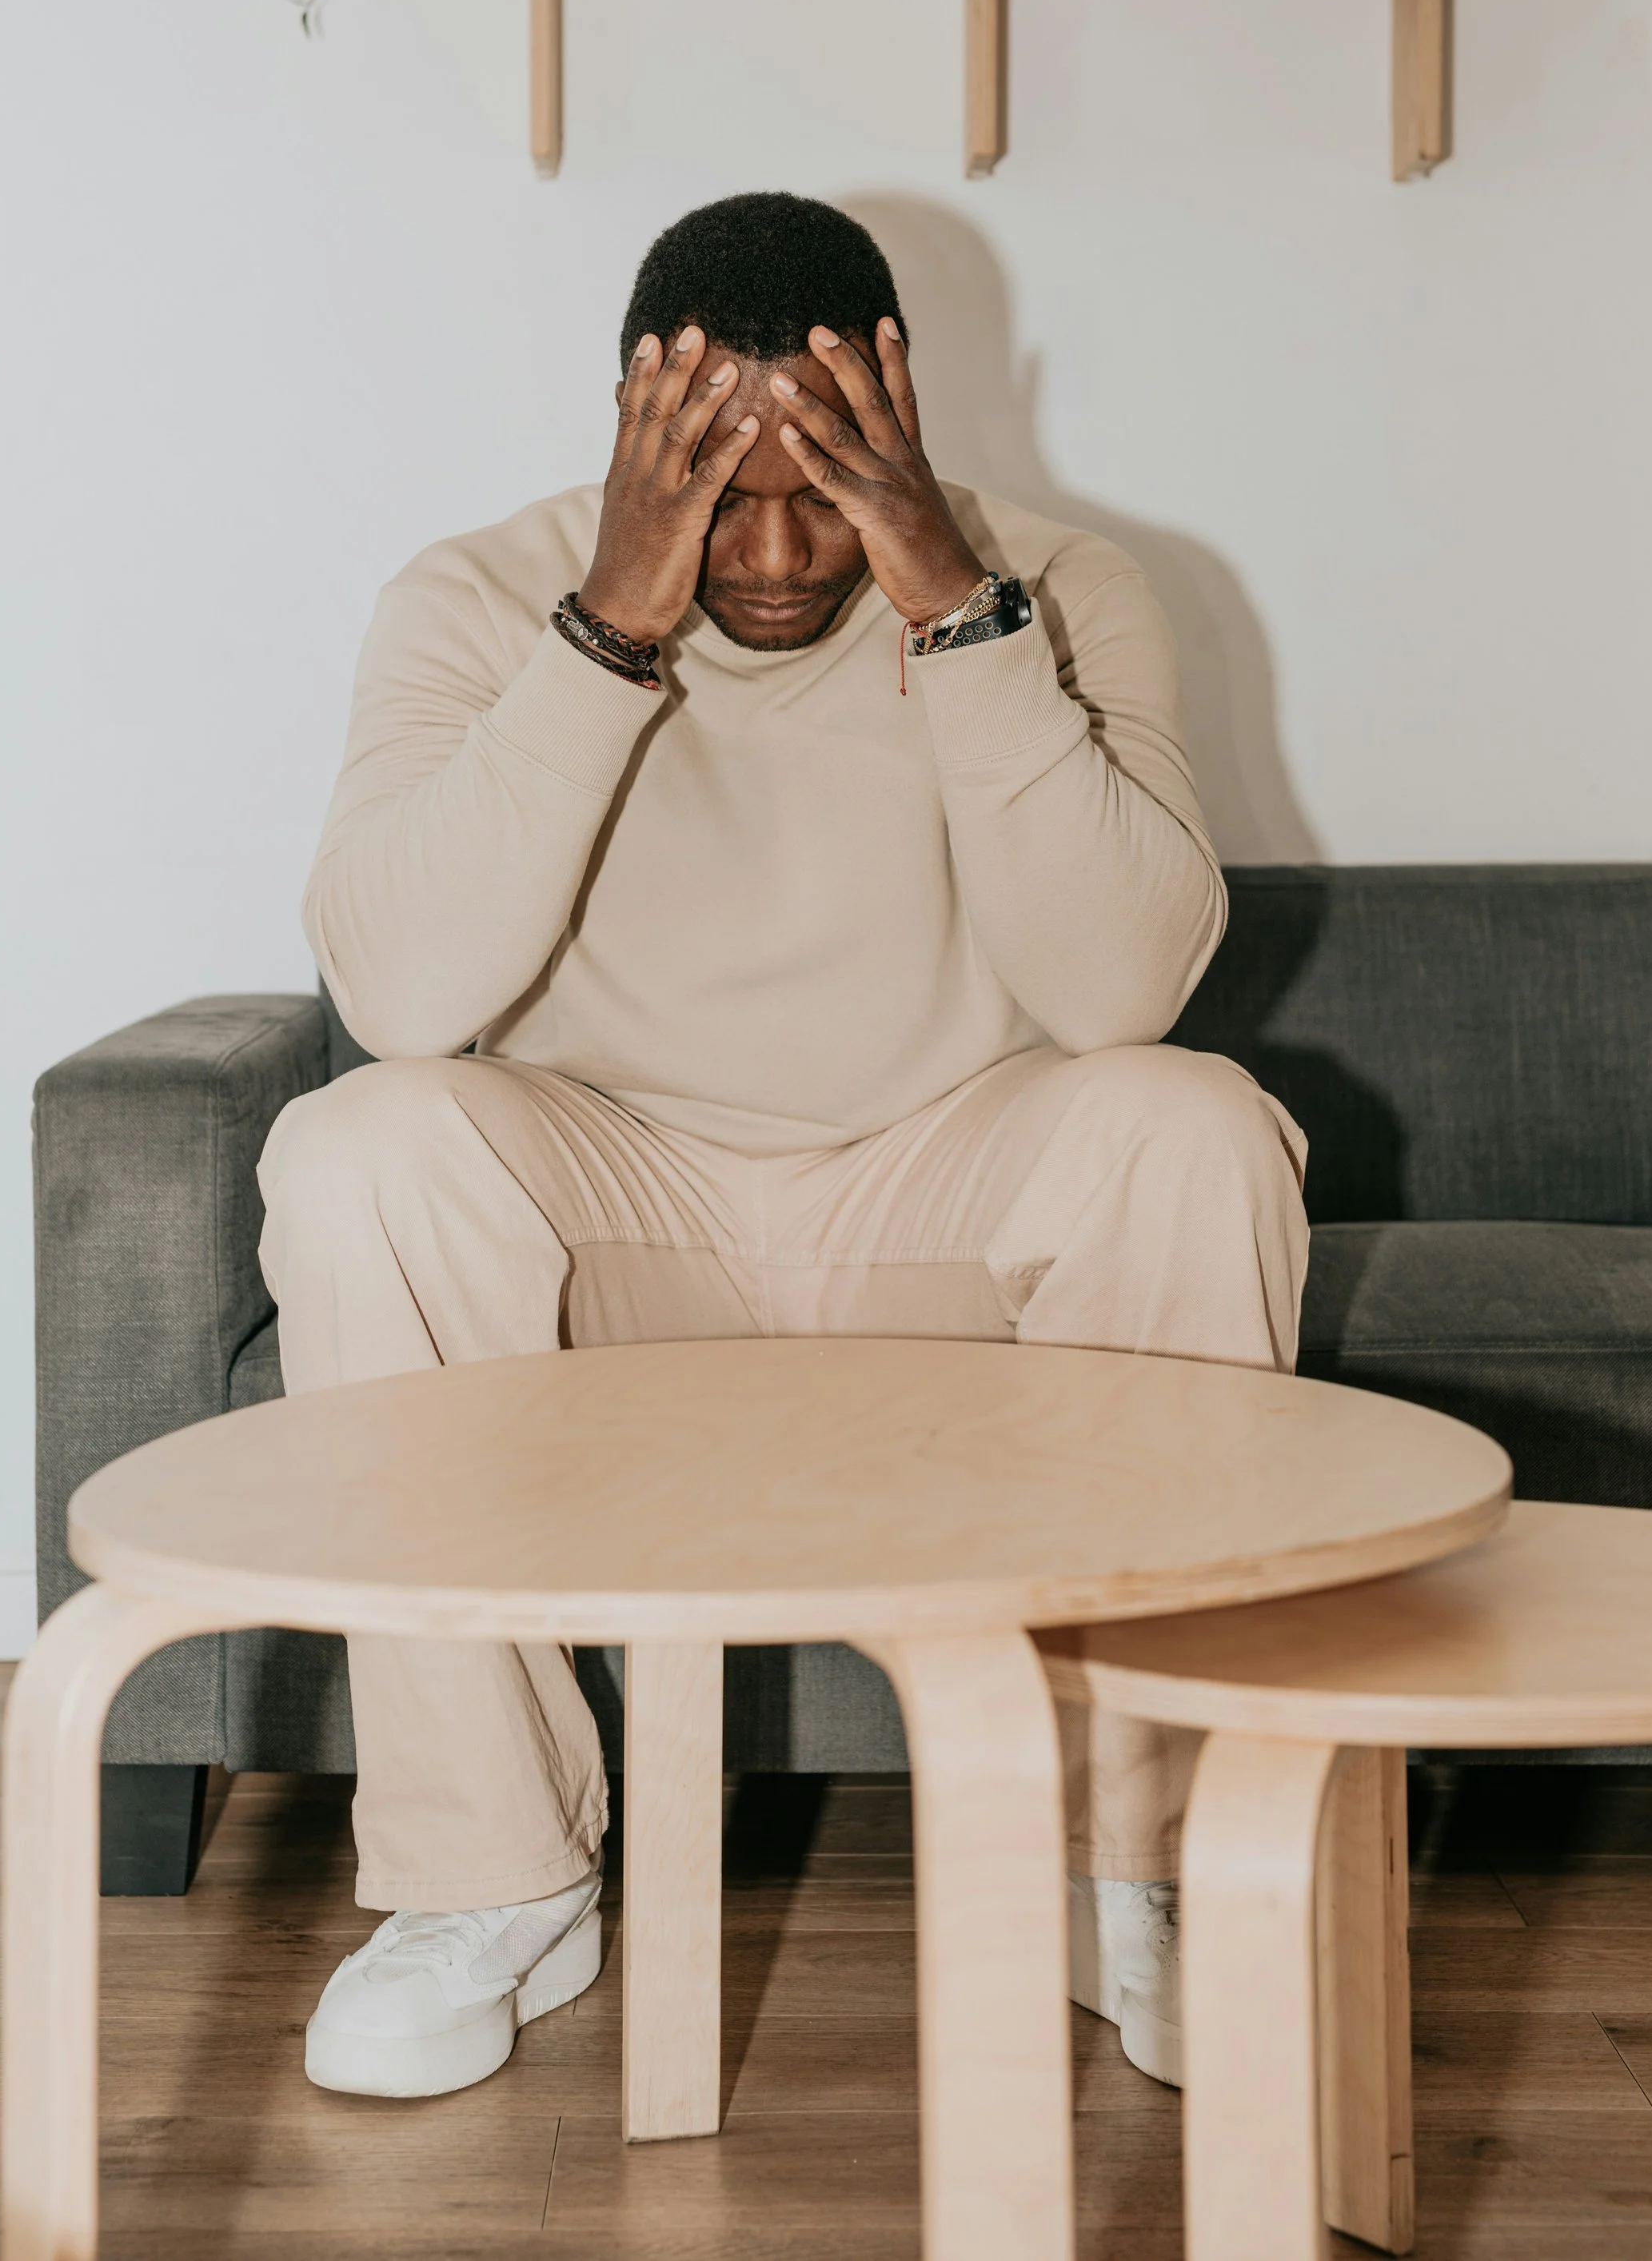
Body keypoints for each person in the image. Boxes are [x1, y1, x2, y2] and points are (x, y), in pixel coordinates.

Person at [258, 191, 1308, 2103]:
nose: (763, 551)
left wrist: (948, 599)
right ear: (622, 428)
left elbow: (1121, 991)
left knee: (1189, 1128)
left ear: (897, 410)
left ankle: (1131, 1867)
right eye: (714, 489)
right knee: (363, 1148)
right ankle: (489, 1884)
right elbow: (400, 993)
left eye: (820, 484)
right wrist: (605, 629)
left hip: (943, 1185)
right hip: (621, 1199)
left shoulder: (1057, 585)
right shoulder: (473, 597)